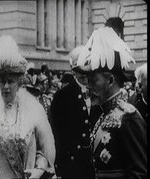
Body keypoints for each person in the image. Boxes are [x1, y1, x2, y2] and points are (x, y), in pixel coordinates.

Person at [0, 35, 55, 179]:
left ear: (19, 82)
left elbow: (43, 149)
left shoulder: (33, 109)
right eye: (2, 81)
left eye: (10, 81)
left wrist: (39, 168)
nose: (6, 86)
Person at [76, 26, 147, 179]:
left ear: (110, 80)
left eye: (93, 80)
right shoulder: (103, 114)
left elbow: (140, 173)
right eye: (87, 81)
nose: (88, 87)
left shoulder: (129, 118)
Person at [51, 46, 102, 179]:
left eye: (88, 69)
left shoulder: (100, 93)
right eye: (80, 70)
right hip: (72, 165)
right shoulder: (62, 96)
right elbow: (57, 134)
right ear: (73, 71)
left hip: (96, 164)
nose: (84, 74)